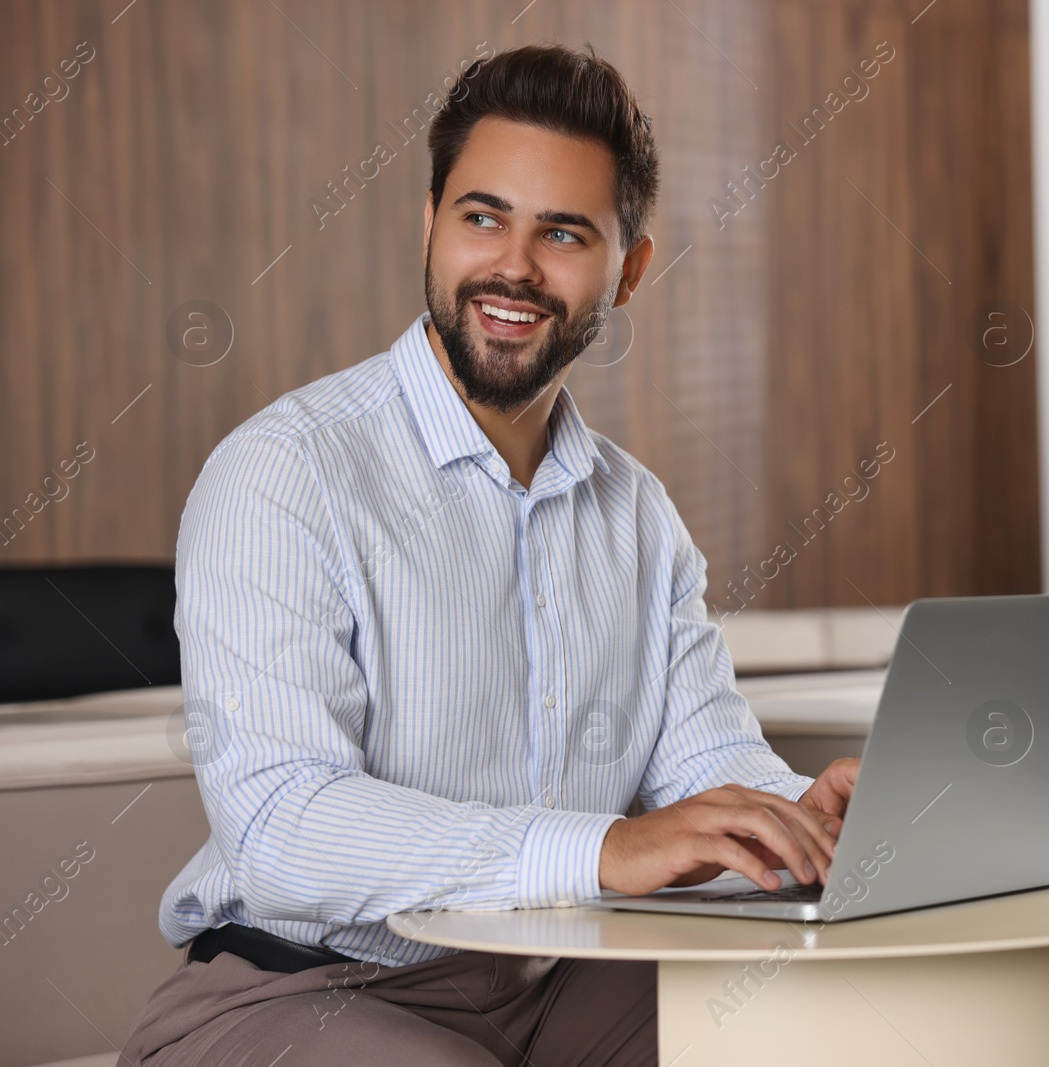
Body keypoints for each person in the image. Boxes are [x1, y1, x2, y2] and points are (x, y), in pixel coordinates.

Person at [122, 42, 859, 1067]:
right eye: (483, 217)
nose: (513, 265)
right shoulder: (283, 472)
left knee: (832, 1021)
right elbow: (284, 826)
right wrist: (605, 846)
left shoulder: (638, 517)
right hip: (301, 990)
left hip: (557, 981)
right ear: (429, 225)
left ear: (628, 271)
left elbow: (707, 766)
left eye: (562, 233)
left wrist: (796, 821)